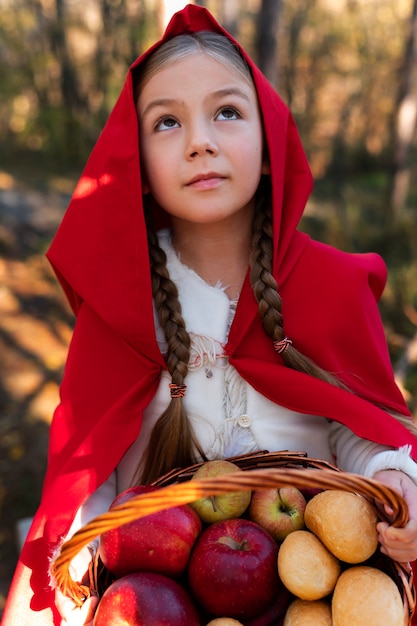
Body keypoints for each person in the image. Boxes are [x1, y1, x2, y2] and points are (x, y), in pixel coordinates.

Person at [3, 4, 417, 625]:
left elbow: (359, 430)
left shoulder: (329, 283)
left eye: (227, 112)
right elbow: (94, 466)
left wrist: (397, 488)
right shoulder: (121, 306)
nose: (200, 141)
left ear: (269, 140)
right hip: (159, 598)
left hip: (319, 594)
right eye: (166, 122)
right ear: (136, 163)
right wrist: (84, 545)